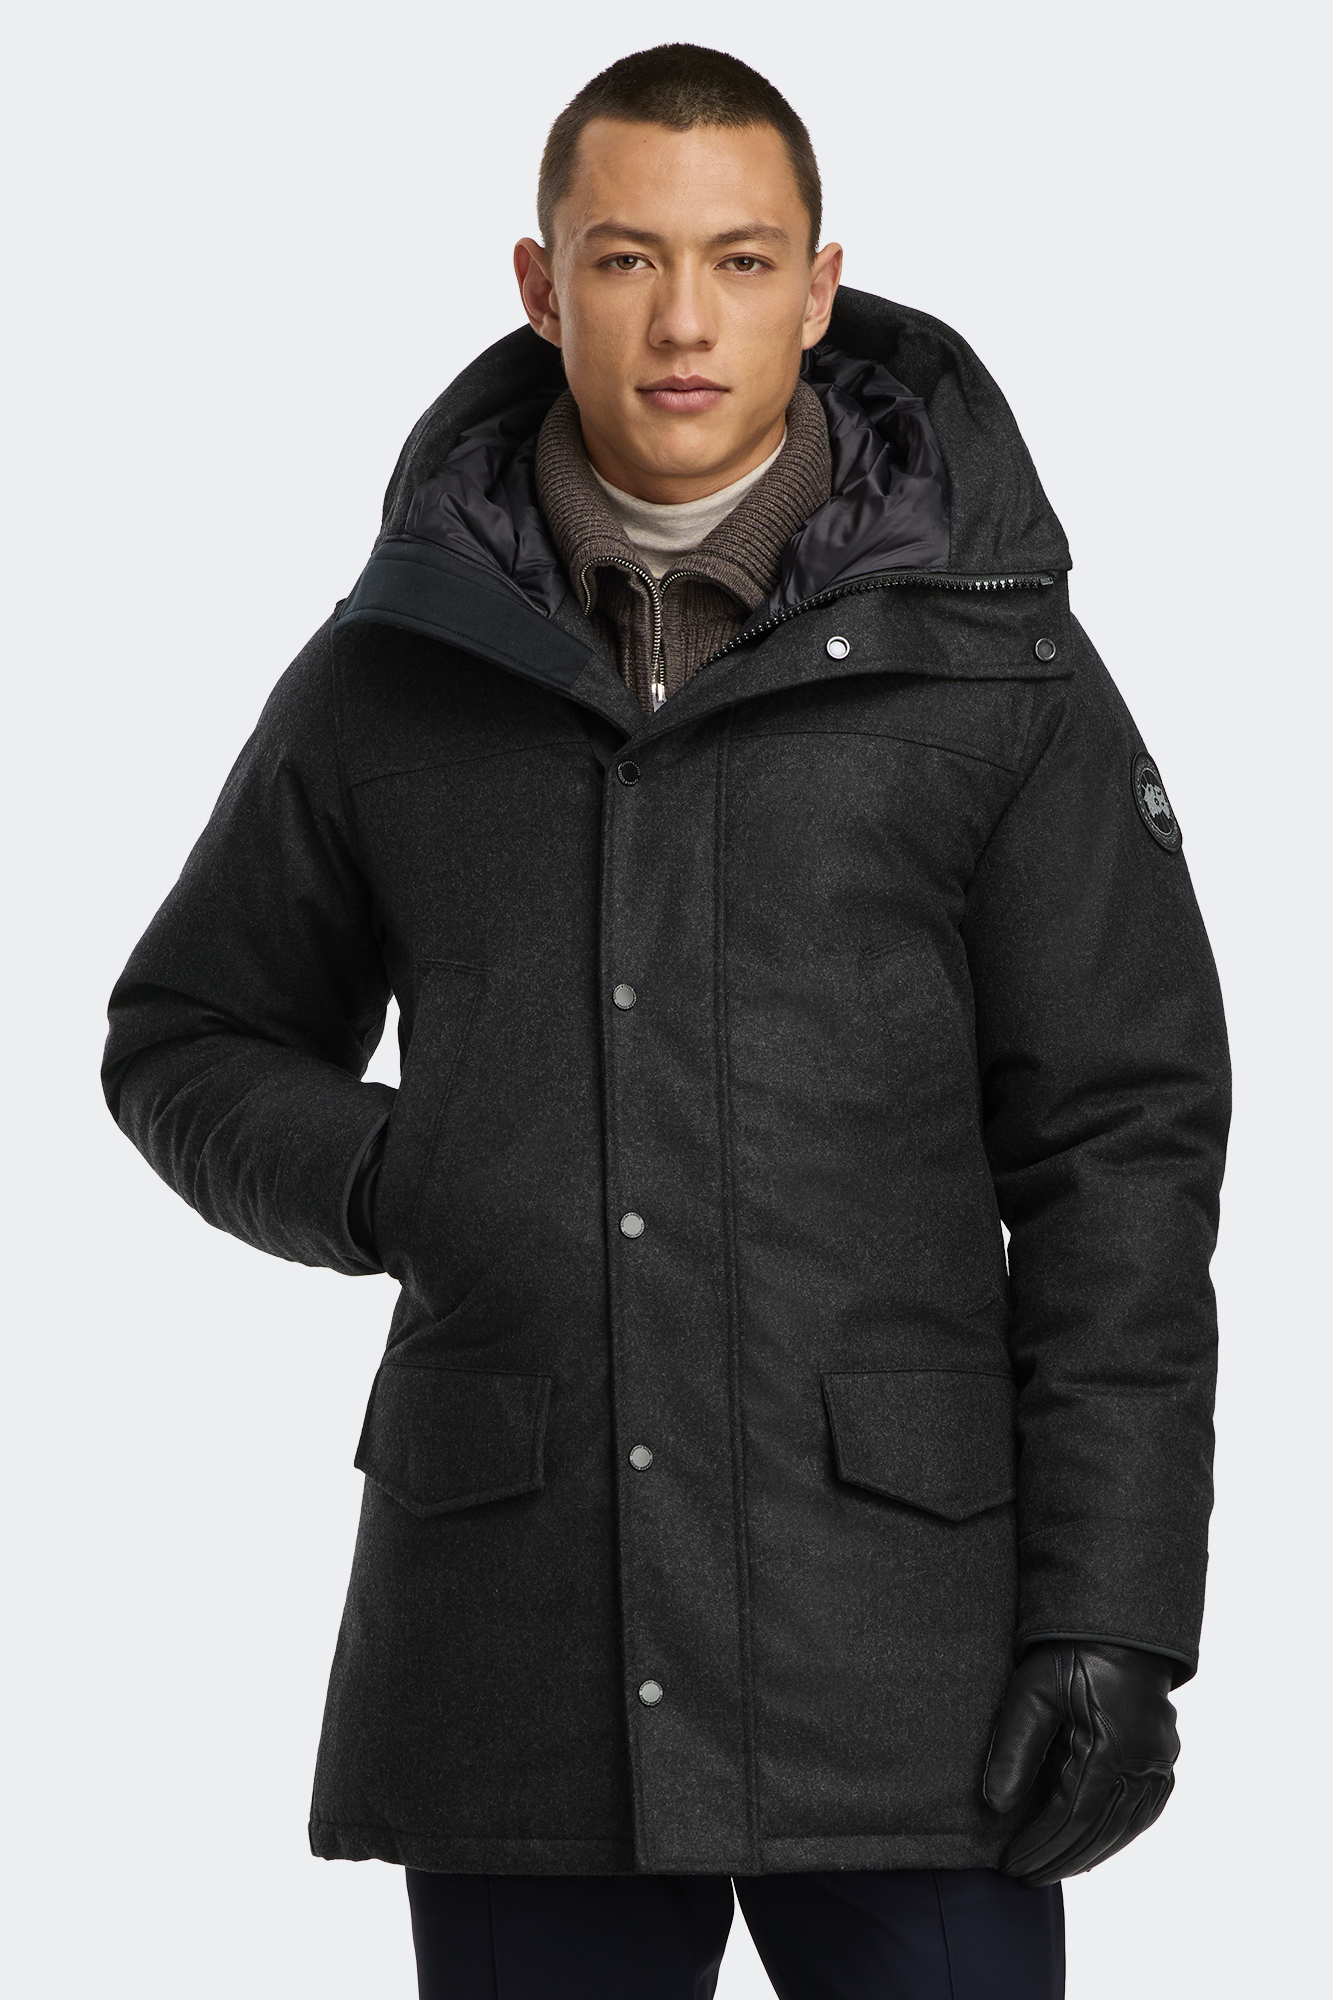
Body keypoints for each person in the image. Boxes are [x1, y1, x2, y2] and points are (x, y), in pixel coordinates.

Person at [101, 43, 1231, 2000]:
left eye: (739, 259)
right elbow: (185, 1031)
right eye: (627, 259)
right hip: (518, 1642)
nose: (685, 320)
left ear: (819, 285)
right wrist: (398, 1173)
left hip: (905, 1649)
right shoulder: (390, 672)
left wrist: (1117, 1616)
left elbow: (1119, 1142)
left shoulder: (996, 667)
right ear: (541, 288)